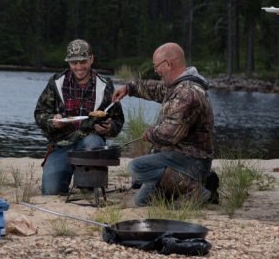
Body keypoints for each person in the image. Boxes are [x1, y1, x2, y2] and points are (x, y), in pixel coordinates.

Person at [112, 42, 216, 206]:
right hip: (175, 159)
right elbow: (154, 89)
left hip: (191, 160)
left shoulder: (187, 93)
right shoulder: (176, 86)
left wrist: (151, 133)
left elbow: (169, 135)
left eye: (156, 66)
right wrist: (128, 88)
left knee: (137, 167)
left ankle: (197, 191)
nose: (155, 70)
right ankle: (204, 182)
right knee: (142, 201)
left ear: (168, 64)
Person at [34, 39, 124, 195]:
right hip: (61, 144)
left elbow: (118, 120)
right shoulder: (56, 83)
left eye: (83, 61)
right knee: (51, 191)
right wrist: (53, 122)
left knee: (92, 143)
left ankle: (88, 184)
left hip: (90, 142)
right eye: (74, 62)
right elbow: (39, 113)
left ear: (91, 59)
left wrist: (109, 128)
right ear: (69, 62)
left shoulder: (105, 85)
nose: (79, 67)